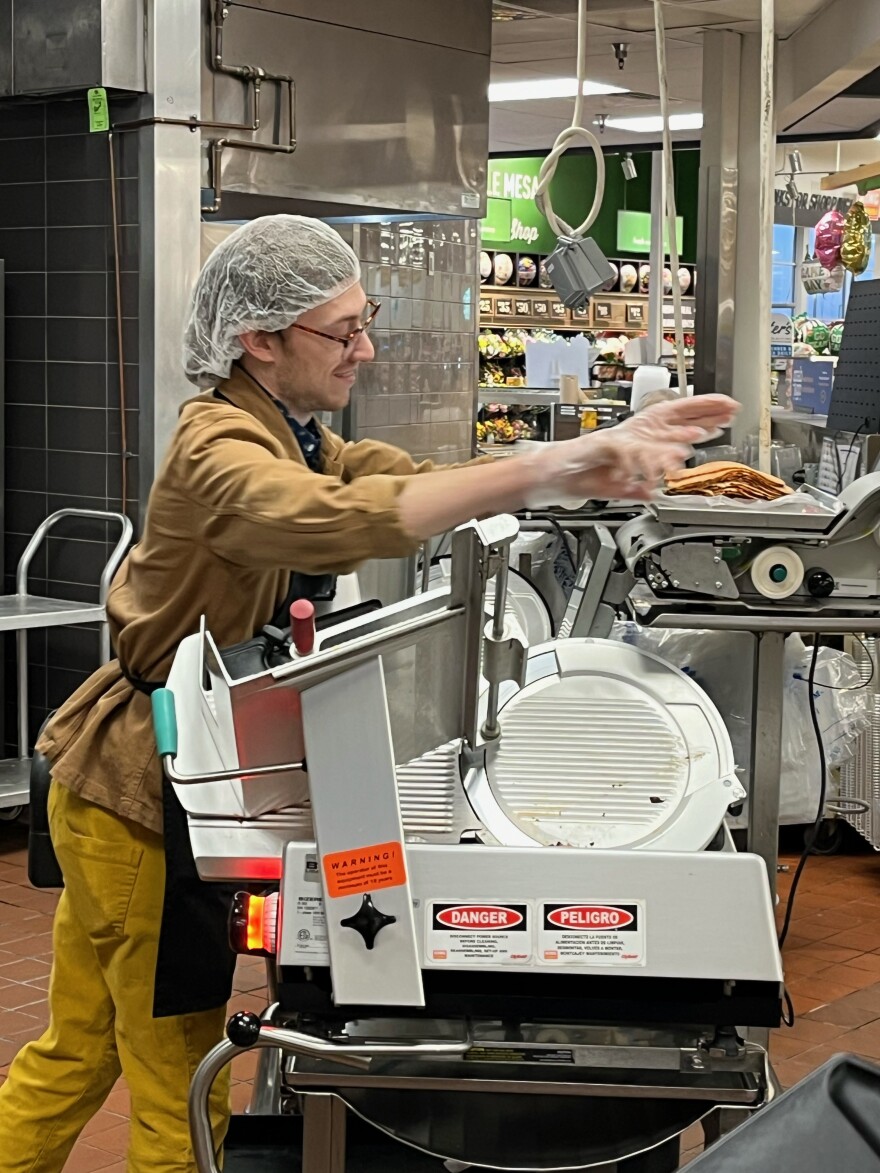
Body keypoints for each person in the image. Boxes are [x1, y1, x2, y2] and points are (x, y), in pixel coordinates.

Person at [0, 215, 738, 1173]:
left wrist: (579, 459)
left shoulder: (296, 434)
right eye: (339, 330)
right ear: (258, 339)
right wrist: (545, 464)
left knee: (79, 1046)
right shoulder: (219, 446)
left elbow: (402, 479)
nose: (365, 347)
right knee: (173, 1071)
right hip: (140, 790)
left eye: (365, 320)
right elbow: (330, 521)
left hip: (136, 780)